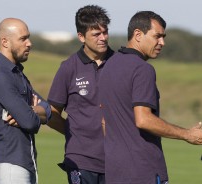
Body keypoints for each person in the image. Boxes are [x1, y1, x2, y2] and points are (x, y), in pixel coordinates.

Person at [99, 11, 202, 184]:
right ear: (138, 35)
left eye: (163, 37)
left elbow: (105, 121)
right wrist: (187, 134)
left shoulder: (108, 66)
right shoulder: (142, 69)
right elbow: (143, 120)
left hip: (114, 172)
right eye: (157, 36)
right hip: (143, 172)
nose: (162, 42)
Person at [46, 5, 114, 184]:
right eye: (96, 34)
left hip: (118, 160)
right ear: (81, 37)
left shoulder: (120, 64)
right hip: (81, 160)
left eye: (105, 32)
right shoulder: (68, 68)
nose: (103, 38)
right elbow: (52, 113)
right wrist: (74, 133)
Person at [0, 18, 51, 184]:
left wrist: (33, 110)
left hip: (21, 164)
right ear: (5, 42)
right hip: (9, 165)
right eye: (23, 38)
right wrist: (31, 113)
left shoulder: (15, 74)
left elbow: (48, 108)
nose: (29, 43)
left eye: (28, 37)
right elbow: (30, 123)